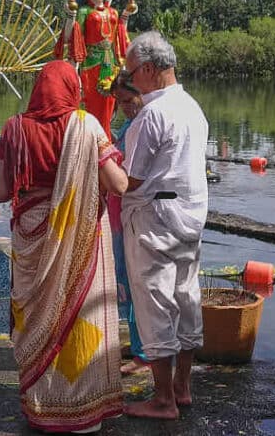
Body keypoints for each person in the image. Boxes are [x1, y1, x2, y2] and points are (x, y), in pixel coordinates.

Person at [0, 60, 129, 434]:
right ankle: (80, 408)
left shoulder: (14, 128)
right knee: (77, 317)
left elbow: (2, 191)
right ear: (73, 90)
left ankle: (42, 408)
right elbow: (117, 185)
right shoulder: (86, 126)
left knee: (38, 318)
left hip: (29, 237)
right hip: (77, 238)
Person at [119, 31, 209, 420]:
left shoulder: (151, 114)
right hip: (190, 215)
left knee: (155, 303)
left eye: (131, 71)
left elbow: (131, 180)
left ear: (151, 70)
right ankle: (182, 386)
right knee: (186, 298)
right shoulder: (191, 106)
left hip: (154, 219)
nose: (129, 78)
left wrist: (101, 166)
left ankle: (162, 400)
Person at [54, 0, 137, 141]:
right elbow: (70, 37)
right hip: (91, 64)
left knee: (110, 105)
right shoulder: (84, 12)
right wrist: (71, 15)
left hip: (111, 64)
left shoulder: (113, 12)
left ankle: (105, 138)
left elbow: (120, 36)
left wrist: (126, 14)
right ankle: (90, 139)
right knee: (91, 104)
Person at [106, 71, 148, 375]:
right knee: (124, 277)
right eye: (119, 102)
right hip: (120, 213)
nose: (124, 106)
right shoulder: (128, 125)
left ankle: (144, 353)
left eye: (128, 100)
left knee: (135, 281)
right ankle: (137, 344)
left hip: (132, 212)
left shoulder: (144, 125)